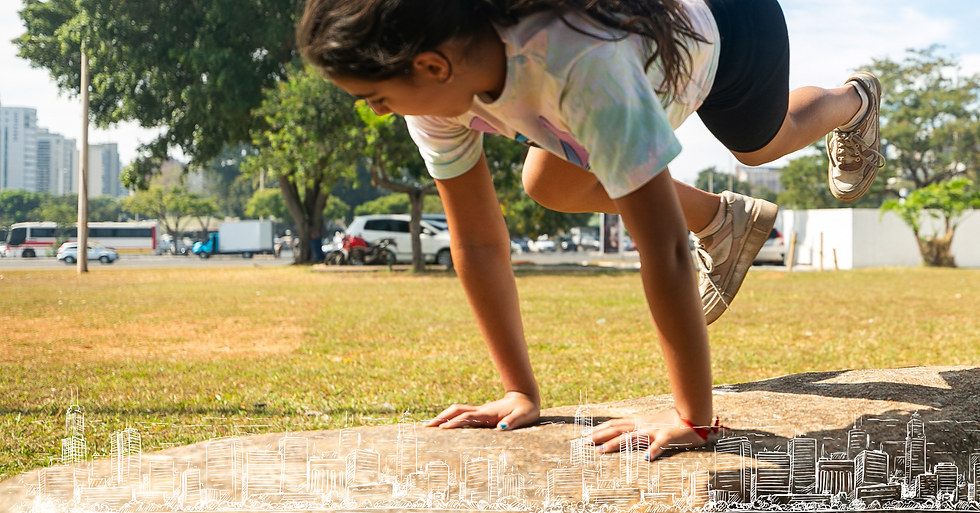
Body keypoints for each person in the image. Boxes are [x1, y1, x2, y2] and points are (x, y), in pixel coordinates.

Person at [297, 0, 884, 458]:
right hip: (645, 54)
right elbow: (476, 241)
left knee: (764, 144)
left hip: (731, 29)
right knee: (548, 184)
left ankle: (853, 100)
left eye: (376, 97)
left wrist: (692, 416)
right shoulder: (434, 100)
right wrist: (519, 391)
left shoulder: (582, 68)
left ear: (431, 65)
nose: (377, 111)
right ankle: (724, 222)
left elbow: (660, 248)